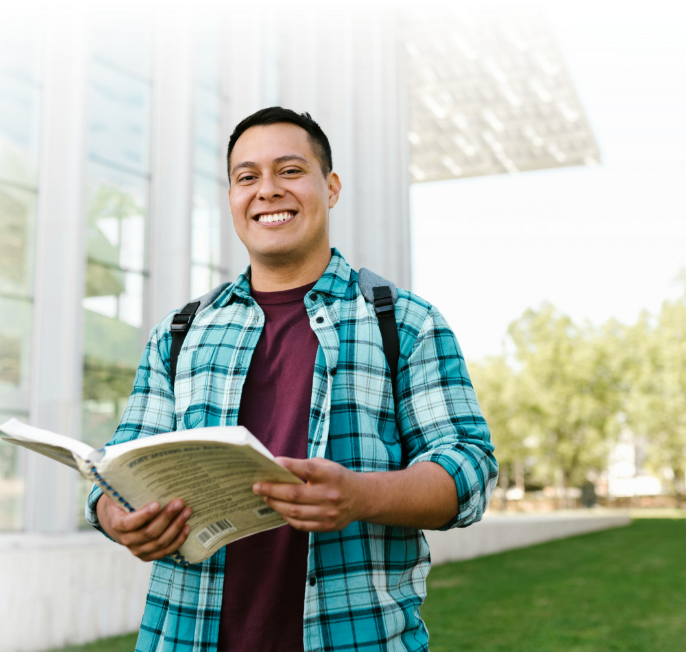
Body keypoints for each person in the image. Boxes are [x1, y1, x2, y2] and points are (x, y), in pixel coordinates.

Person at [87, 106, 498, 652]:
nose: (267, 191)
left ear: (330, 188)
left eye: (290, 171)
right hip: (183, 637)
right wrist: (116, 513)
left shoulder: (405, 322)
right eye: (247, 177)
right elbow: (116, 467)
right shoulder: (179, 333)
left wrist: (362, 496)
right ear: (232, 198)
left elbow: (469, 468)